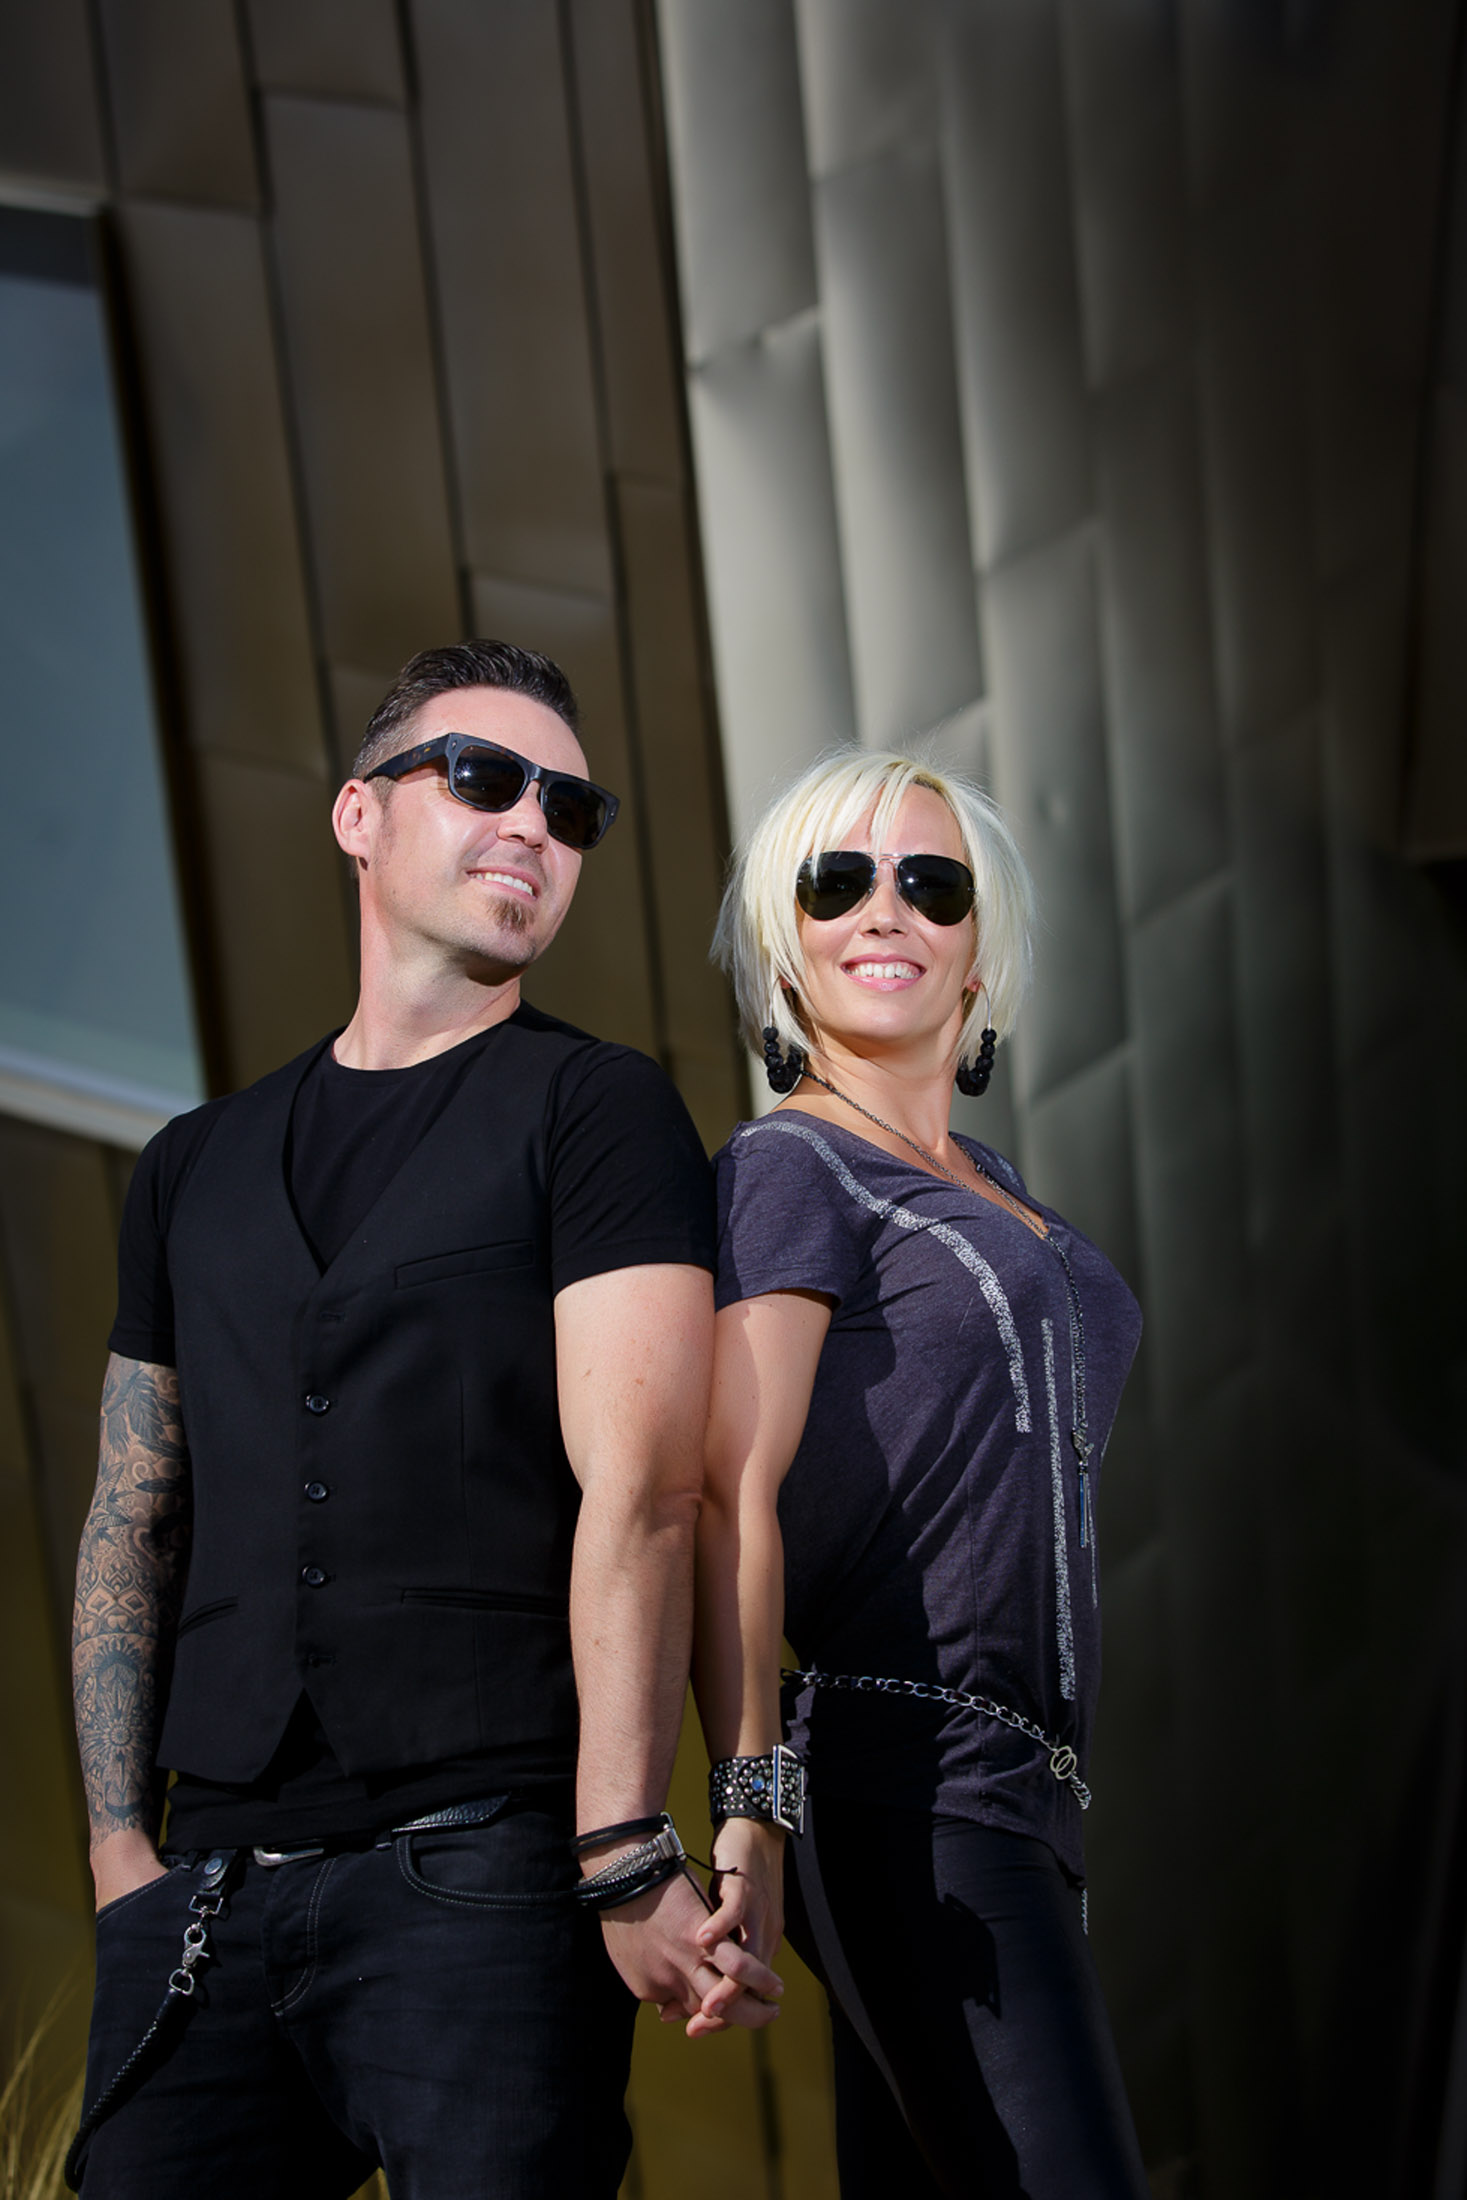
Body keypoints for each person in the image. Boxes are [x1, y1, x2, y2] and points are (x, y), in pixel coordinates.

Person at [69, 640, 780, 2200]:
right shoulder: (191, 1165)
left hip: (485, 1878)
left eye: (569, 808)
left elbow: (650, 1491)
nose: (532, 823)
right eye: (482, 778)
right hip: (204, 1891)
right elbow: (135, 1511)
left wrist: (623, 1845)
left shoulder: (597, 1110)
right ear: (358, 814)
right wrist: (121, 1854)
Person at [690, 747, 1149, 2198]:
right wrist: (750, 1806)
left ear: (979, 948)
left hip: (1020, 1796)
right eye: (837, 882)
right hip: (905, 1779)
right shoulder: (790, 1167)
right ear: (784, 943)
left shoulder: (995, 1184)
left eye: (932, 885)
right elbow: (726, 1496)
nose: (885, 910)